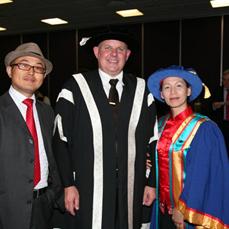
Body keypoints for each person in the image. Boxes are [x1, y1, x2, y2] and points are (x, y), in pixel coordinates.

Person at [53, 30, 158, 229]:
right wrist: (68, 184)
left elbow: (153, 140)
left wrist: (151, 183)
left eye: (120, 49)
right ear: (96, 52)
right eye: (107, 48)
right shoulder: (75, 86)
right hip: (88, 184)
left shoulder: (142, 89)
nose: (114, 54)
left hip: (131, 185)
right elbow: (60, 140)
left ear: (127, 55)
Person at [147, 65, 229, 229]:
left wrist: (184, 208)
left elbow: (201, 173)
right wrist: (151, 184)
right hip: (161, 209)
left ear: (189, 91)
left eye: (179, 85)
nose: (173, 92)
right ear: (161, 94)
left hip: (187, 212)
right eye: (167, 87)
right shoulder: (159, 125)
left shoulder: (203, 128)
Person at [0, 42, 62, 229]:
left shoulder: (48, 112)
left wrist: (53, 195)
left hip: (44, 207)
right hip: (6, 211)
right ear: (10, 71)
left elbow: (54, 156)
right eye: (24, 65)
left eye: (38, 68)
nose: (31, 72)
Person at [211, 69, 229, 151]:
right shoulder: (217, 90)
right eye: (224, 80)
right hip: (221, 124)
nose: (226, 82)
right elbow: (211, 107)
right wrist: (216, 106)